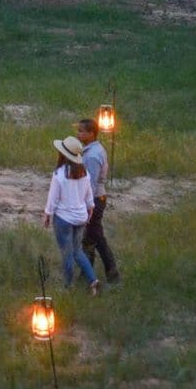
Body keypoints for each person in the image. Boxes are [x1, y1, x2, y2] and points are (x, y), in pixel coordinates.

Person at [44, 136, 101, 295]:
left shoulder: (59, 174)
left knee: (67, 253)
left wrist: (47, 214)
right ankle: (93, 280)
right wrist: (90, 208)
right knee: (77, 251)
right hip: (81, 218)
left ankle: (68, 287)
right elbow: (89, 195)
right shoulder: (84, 173)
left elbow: (53, 198)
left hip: (64, 219)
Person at [76, 117, 122, 285]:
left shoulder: (92, 156)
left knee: (96, 238)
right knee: (90, 237)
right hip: (95, 199)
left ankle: (111, 273)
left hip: (94, 199)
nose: (78, 134)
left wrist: (86, 205)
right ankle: (88, 274)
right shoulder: (93, 150)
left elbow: (91, 183)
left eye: (81, 131)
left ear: (91, 133)